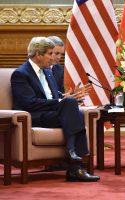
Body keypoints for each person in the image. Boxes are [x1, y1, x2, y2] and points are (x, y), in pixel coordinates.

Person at [10, 36, 100, 182]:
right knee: (72, 110)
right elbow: (29, 103)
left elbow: (53, 95)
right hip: (34, 116)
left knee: (71, 107)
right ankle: (76, 165)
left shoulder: (48, 72)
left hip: (52, 114)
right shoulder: (21, 74)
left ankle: (73, 155)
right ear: (38, 54)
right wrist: (61, 101)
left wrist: (68, 97)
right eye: (50, 54)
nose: (53, 58)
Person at [47, 36, 92, 103]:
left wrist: (73, 95)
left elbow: (60, 96)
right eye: (56, 53)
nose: (59, 57)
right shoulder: (36, 70)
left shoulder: (59, 70)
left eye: (61, 54)